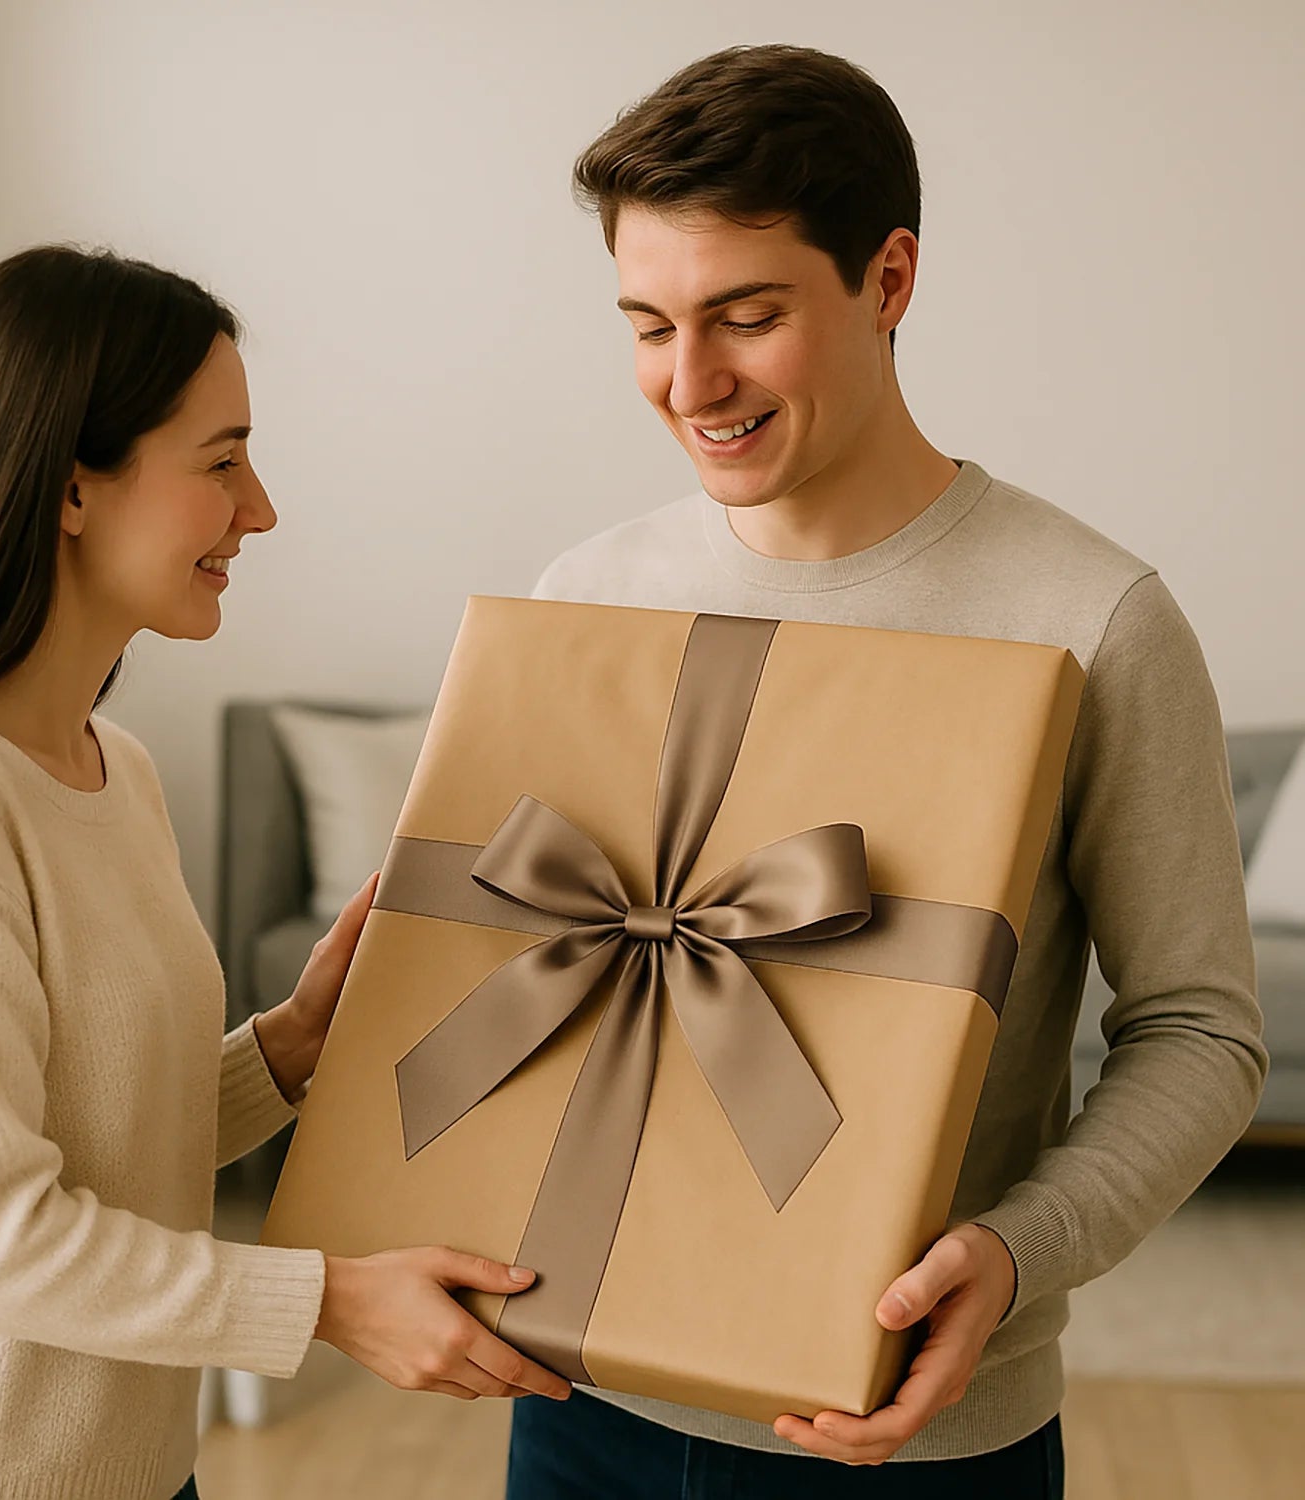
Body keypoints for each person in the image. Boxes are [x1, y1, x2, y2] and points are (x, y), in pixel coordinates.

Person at [508, 43, 1266, 1500]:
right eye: (650, 325)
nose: (692, 381)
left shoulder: (1089, 617)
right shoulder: (585, 595)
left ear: (889, 280)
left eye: (748, 316)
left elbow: (1201, 1032)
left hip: (912, 1430)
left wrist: (1017, 1251)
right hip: (580, 1400)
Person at [0, 245, 569, 1500]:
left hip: (143, 1472)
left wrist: (291, 1047)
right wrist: (330, 1300)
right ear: (72, 488)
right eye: (221, 462)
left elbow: (102, 1139)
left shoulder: (118, 770)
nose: (258, 509)